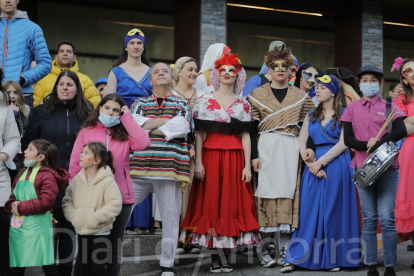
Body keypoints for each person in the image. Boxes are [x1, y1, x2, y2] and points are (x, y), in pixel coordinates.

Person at [179, 53, 260, 273]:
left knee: (230, 205)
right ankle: (214, 256)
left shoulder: (244, 104)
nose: (226, 74)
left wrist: (246, 165)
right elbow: (198, 134)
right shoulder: (204, 99)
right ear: (216, 73)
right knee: (211, 202)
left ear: (238, 74)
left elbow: (245, 136)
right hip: (210, 156)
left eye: (231, 70)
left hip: (234, 159)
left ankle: (226, 255)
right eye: (222, 70)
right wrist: (199, 162)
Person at [283, 75, 362, 272]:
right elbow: (302, 142)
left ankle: (334, 259)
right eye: (317, 87)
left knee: (334, 210)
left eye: (323, 87)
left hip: (337, 164)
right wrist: (309, 160)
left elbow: (344, 143)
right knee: (308, 211)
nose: (317, 90)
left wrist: (320, 163)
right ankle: (297, 257)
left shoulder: (345, 113)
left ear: (333, 91)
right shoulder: (311, 114)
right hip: (313, 165)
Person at [247, 45, 314, 268]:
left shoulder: (301, 96)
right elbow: (251, 129)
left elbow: (310, 127)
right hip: (265, 148)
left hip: (290, 149)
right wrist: (253, 156)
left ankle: (285, 252)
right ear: (268, 67)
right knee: (264, 197)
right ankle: (264, 250)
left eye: (285, 66)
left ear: (291, 70)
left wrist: (309, 150)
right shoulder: (256, 94)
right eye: (275, 66)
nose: (280, 70)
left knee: (288, 198)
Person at [69, 93, 150, 276]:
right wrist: (77, 193)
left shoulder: (126, 134)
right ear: (99, 109)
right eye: (107, 108)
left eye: (115, 110)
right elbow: (75, 166)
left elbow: (144, 142)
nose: (110, 113)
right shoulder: (86, 132)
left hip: (120, 198)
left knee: (113, 248)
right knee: (86, 249)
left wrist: (127, 118)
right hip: (89, 199)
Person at [22, 70, 93, 275]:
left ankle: (65, 271)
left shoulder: (88, 112)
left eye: (70, 84)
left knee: (69, 230)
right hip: (46, 180)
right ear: (56, 87)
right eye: (61, 84)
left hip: (77, 181)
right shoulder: (41, 111)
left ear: (77, 89)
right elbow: (28, 143)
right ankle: (49, 271)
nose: (65, 87)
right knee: (48, 230)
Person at [341, 65, 407, 276]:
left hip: (389, 168)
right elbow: (347, 139)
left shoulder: (390, 107)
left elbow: (401, 130)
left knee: (387, 217)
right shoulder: (351, 108)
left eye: (373, 80)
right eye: (365, 80)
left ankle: (389, 266)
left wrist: (379, 143)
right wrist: (364, 144)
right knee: (369, 218)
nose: (369, 83)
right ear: (359, 84)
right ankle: (371, 264)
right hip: (363, 169)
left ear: (379, 83)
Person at [130, 62, 192, 276]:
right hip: (139, 165)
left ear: (173, 78)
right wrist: (165, 125)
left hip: (169, 167)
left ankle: (167, 264)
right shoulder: (139, 102)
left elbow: (182, 127)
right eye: (155, 72)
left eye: (165, 71)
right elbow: (133, 125)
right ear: (150, 81)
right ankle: (107, 256)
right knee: (120, 206)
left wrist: (148, 127)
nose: (160, 73)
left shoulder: (182, 103)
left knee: (170, 216)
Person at [5, 139, 69, 276]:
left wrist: (20, 206)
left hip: (40, 229)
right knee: (16, 266)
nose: (25, 151)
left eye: (30, 149)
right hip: (19, 229)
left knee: (48, 265)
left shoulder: (47, 176)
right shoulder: (21, 174)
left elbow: (46, 202)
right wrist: (11, 205)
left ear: (41, 157)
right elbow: (12, 198)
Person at [64, 142, 123, 276]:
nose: (80, 155)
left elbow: (115, 204)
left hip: (100, 232)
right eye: (82, 152)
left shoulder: (107, 181)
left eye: (86, 153)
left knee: (98, 269)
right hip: (82, 231)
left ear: (97, 160)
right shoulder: (76, 181)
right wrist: (74, 216)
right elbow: (67, 201)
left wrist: (95, 218)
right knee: (85, 268)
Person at [171, 57, 205, 227]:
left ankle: (192, 232)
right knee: (174, 194)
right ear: (178, 72)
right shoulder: (169, 95)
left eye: (195, 69)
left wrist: (195, 148)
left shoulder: (204, 96)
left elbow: (204, 127)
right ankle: (175, 233)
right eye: (189, 69)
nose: (194, 73)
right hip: (174, 151)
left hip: (198, 151)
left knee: (195, 194)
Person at [0, 0, 52, 109]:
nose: (7, 0)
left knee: (22, 127)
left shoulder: (32, 28)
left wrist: (22, 79)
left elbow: (46, 63)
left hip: (22, 95)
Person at [391, 58, 414, 269]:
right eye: (409, 70)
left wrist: (411, 119)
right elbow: (399, 126)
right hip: (410, 152)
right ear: (403, 77)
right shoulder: (401, 99)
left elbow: (407, 122)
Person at [33, 41, 101, 107]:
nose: (65, 53)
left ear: (74, 58)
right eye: (62, 51)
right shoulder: (43, 80)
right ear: (56, 57)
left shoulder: (85, 80)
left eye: (69, 51)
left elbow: (95, 107)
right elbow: (35, 106)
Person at [0, 74, 20, 276]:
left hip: (0, 183)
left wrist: (4, 154)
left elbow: (14, 138)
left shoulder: (4, 107)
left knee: (4, 244)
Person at [107, 28, 152, 107]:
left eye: (139, 43)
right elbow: (110, 103)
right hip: (122, 117)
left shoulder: (152, 72)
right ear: (126, 47)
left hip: (148, 117)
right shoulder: (115, 73)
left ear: (143, 47)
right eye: (131, 43)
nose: (136, 47)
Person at [4, 80, 30, 181]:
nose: (12, 96)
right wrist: (12, 115)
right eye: (8, 92)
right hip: (5, 162)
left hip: (20, 162)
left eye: (15, 92)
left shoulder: (24, 115)